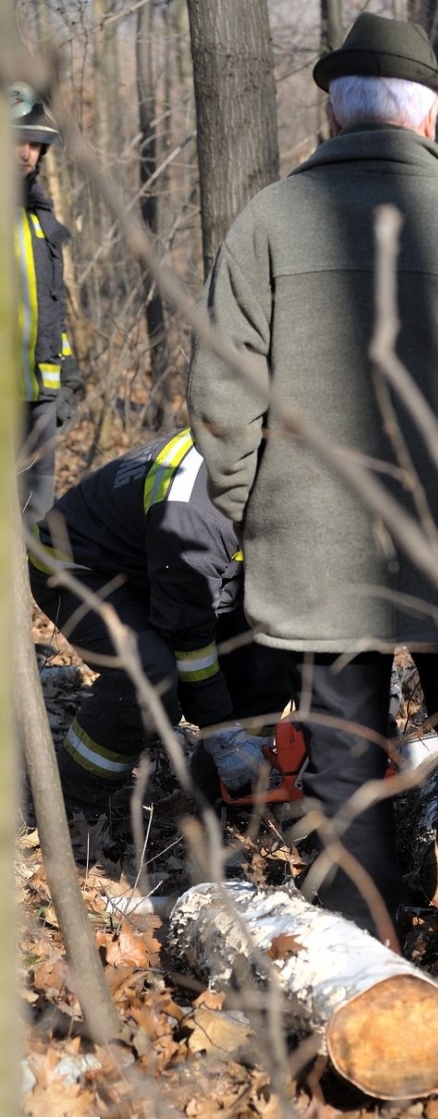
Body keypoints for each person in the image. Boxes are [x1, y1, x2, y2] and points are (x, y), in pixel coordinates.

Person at [187, 12, 438, 978]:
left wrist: (248, 507)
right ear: (431, 120)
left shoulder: (268, 222)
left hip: (313, 542)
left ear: (334, 108)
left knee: (340, 756)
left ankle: (362, 956)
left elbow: (222, 400)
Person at [28, 428, 293, 822]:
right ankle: (74, 805)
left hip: (156, 565)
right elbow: (187, 634)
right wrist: (220, 731)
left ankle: (220, 799)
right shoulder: (196, 514)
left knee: (264, 652)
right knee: (151, 674)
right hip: (77, 565)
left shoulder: (277, 465)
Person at [12, 81, 85, 526]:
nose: (25, 152)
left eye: (35, 143)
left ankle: (36, 595)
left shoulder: (41, 219)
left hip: (41, 396)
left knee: (38, 516)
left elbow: (50, 308)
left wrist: (68, 374)